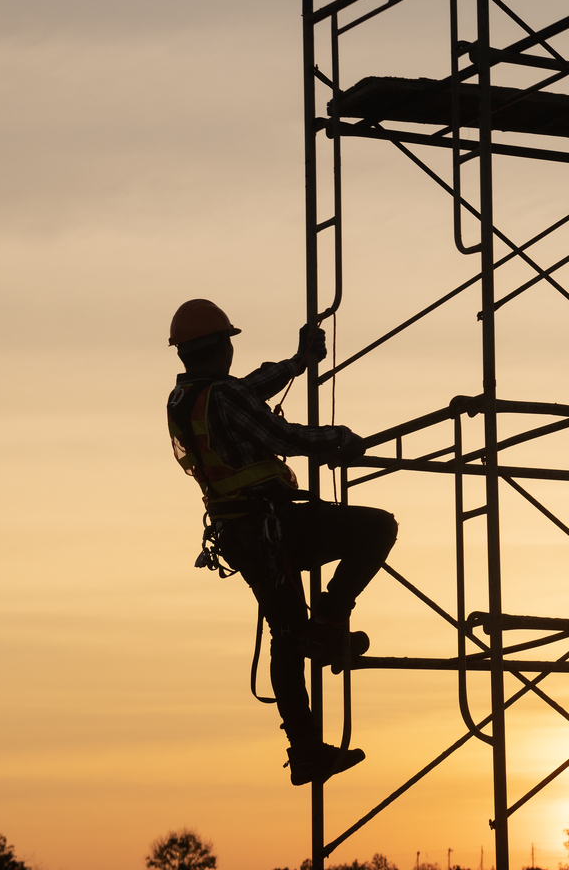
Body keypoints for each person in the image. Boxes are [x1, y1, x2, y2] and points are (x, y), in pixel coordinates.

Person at [165, 298, 398, 786]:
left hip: (242, 534)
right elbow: (283, 435)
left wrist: (297, 363)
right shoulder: (223, 398)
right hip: (272, 529)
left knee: (286, 635)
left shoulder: (186, 400)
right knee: (377, 528)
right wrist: (341, 438)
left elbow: (244, 392)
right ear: (222, 346)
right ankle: (330, 624)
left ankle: (307, 751)